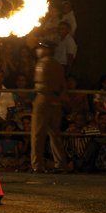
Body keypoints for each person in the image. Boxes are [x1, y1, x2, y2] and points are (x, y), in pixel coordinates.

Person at [31, 40, 68, 173]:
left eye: (40, 48)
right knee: (55, 133)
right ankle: (60, 163)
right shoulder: (58, 65)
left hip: (43, 98)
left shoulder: (42, 63)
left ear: (46, 49)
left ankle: (37, 165)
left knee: (38, 134)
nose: (37, 51)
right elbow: (63, 85)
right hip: (56, 100)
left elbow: (40, 84)